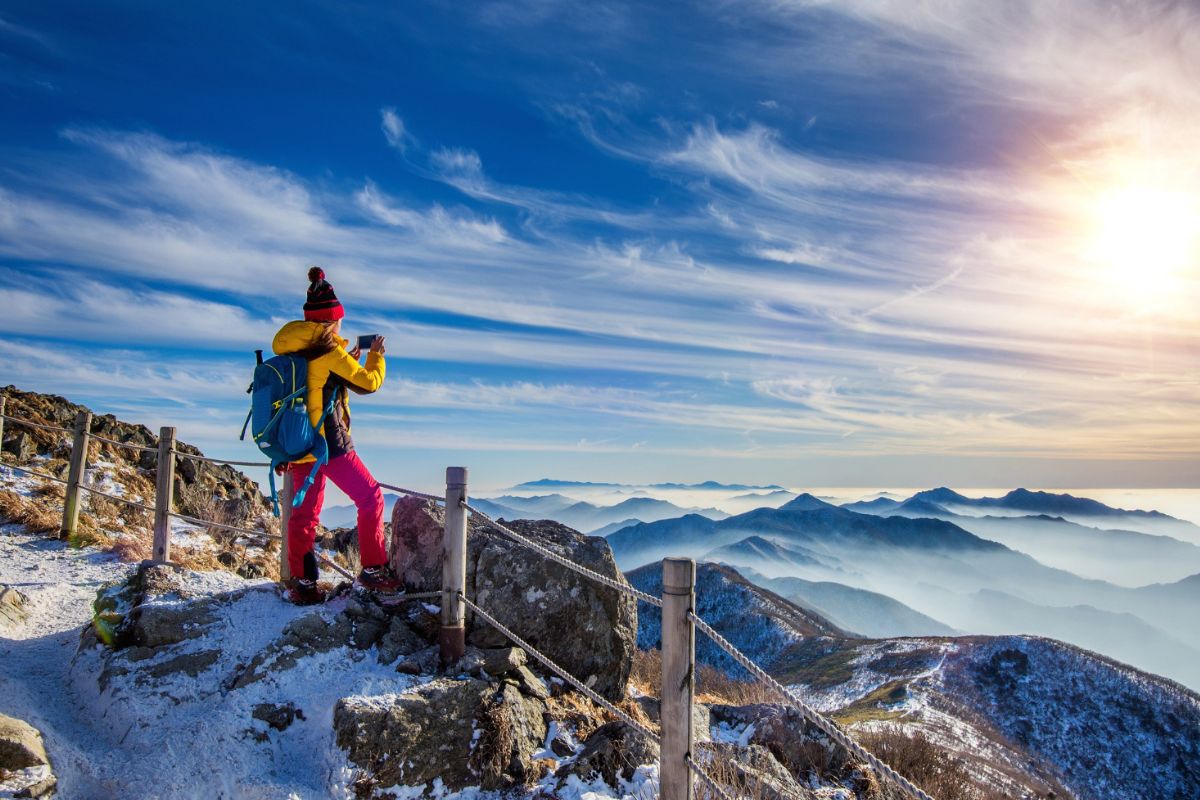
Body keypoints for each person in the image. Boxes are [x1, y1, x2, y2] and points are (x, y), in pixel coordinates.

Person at [272, 266, 402, 604]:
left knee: (304, 515)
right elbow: (368, 384)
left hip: (298, 441)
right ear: (332, 320)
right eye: (339, 320)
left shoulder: (294, 349)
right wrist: (376, 357)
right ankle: (373, 570)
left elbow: (317, 384)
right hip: (329, 442)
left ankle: (301, 584)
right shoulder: (329, 352)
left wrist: (347, 361)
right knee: (371, 497)